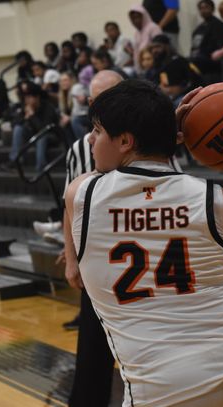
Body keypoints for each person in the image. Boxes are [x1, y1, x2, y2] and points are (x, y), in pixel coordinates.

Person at [64, 80, 223, 406]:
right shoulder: (218, 201)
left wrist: (159, 128)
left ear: (125, 140)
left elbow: (84, 189)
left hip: (161, 383)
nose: (90, 138)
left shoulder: (83, 195)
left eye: (98, 130)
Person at [63, 70, 124, 407]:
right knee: (92, 353)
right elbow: (69, 207)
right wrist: (70, 256)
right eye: (100, 97)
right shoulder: (79, 150)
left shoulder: (147, 142)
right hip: (97, 260)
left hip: (138, 254)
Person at [2, 81, 59, 173]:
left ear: (37, 98)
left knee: (41, 136)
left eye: (29, 97)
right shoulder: (26, 107)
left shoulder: (47, 107)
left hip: (50, 136)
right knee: (18, 128)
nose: (27, 100)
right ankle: (15, 161)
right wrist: (25, 118)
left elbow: (45, 129)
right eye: (25, 98)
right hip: (34, 135)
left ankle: (41, 167)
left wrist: (32, 116)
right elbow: (15, 124)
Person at [189, 0, 223, 79]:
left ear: (212, 9)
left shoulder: (219, 25)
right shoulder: (198, 29)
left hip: (209, 58)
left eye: (206, 7)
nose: (203, 10)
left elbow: (219, 45)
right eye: (201, 8)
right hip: (196, 57)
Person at [129, 4, 163, 73]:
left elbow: (160, 46)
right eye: (132, 19)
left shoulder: (153, 27)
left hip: (156, 68)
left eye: (137, 17)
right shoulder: (137, 33)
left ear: (144, 16)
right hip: (142, 68)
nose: (135, 21)